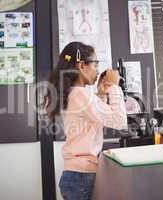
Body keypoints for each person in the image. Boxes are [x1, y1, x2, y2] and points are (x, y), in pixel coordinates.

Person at [45, 41, 127, 200]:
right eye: (95, 65)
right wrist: (115, 87)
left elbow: (91, 120)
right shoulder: (80, 94)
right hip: (81, 177)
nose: (97, 71)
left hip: (77, 176)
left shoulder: (75, 94)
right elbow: (119, 120)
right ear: (82, 66)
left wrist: (101, 94)